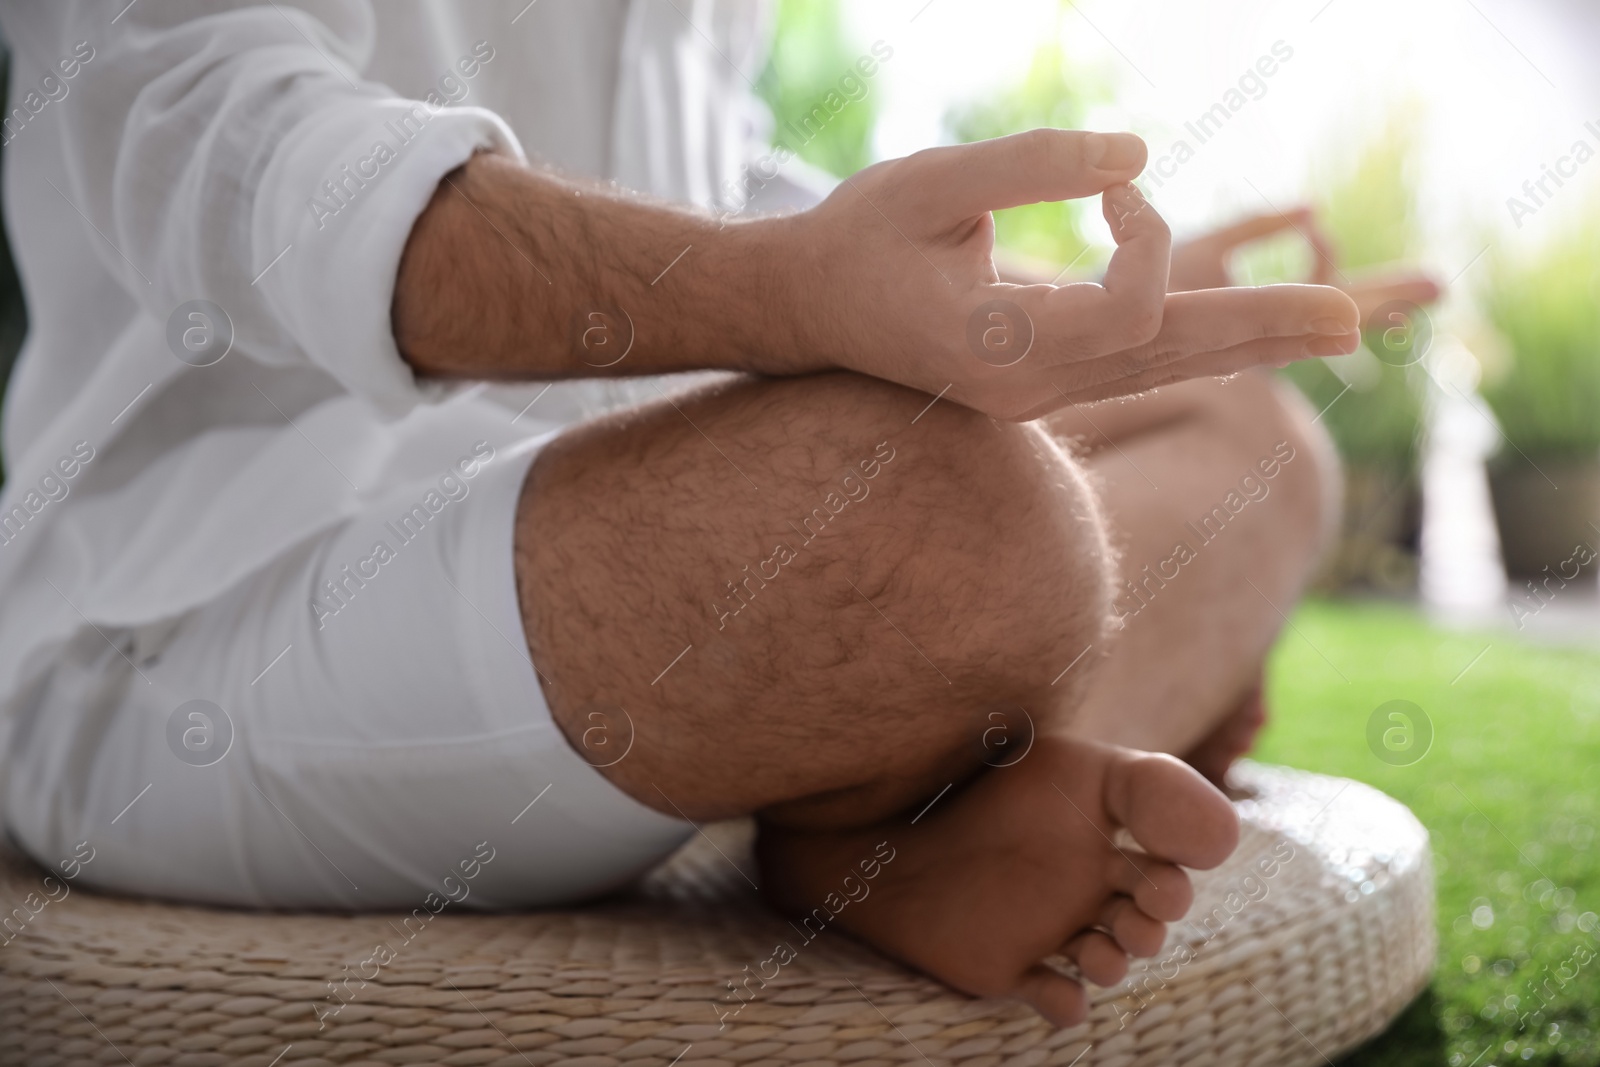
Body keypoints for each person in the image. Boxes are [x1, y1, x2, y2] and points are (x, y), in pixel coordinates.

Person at [0, 1, 1435, 1027]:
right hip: (190, 615)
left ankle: (925, 819)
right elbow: (248, 165)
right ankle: (966, 750)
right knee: (944, 506)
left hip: (628, 521)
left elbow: (711, 185)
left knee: (1255, 435)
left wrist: (1075, 315)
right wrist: (792, 290)